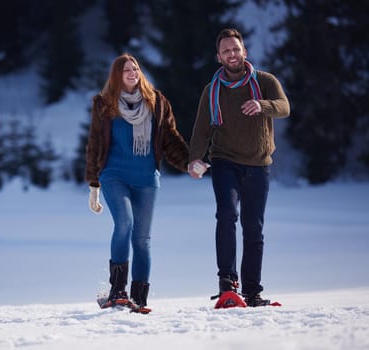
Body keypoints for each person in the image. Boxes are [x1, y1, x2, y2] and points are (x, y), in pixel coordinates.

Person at [188, 28, 290, 306]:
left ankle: (253, 291)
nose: (232, 54)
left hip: (258, 164)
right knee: (226, 214)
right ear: (218, 57)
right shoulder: (212, 91)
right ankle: (227, 284)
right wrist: (195, 158)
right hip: (224, 161)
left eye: (236, 49)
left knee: (254, 227)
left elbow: (284, 107)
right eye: (226, 51)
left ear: (244, 52)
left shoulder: (265, 81)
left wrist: (262, 105)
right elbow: (201, 129)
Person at [85, 53, 189, 312]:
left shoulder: (157, 102)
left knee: (142, 239)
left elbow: (170, 139)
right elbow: (95, 144)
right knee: (124, 223)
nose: (132, 73)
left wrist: (189, 162)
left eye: (135, 69)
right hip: (114, 175)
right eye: (126, 70)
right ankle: (117, 292)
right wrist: (93, 185)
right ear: (116, 76)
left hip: (146, 179)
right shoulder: (104, 104)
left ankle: (139, 298)